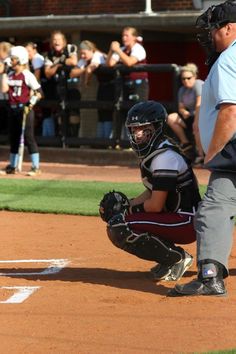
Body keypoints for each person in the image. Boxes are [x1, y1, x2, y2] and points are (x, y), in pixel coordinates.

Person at [169, 0, 236, 297]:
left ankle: (210, 277)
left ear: (230, 28)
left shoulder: (228, 59)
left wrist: (214, 151)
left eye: (212, 29)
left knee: (213, 208)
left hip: (232, 147)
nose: (208, 35)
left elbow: (230, 110)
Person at [99, 101, 201, 282]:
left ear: (156, 127)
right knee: (121, 220)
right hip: (179, 218)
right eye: (133, 129)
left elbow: (155, 206)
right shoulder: (157, 151)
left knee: (119, 226)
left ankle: (177, 258)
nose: (137, 134)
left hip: (186, 221)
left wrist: (127, 211)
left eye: (143, 128)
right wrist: (128, 203)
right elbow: (151, 192)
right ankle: (169, 258)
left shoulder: (164, 158)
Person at [0, 46, 42, 176]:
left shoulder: (27, 75)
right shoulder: (11, 75)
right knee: (14, 138)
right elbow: (4, 89)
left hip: (25, 110)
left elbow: (39, 92)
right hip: (13, 109)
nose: (11, 61)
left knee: (29, 138)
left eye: (13, 59)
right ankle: (13, 166)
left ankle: (36, 166)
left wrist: (31, 102)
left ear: (20, 59)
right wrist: (5, 73)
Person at [106, 27, 149, 144]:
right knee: (125, 113)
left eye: (127, 36)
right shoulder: (123, 49)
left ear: (134, 37)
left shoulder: (138, 48)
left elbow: (130, 62)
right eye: (123, 36)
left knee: (138, 114)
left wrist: (118, 51)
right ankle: (126, 142)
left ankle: (141, 142)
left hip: (139, 86)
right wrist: (111, 50)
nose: (124, 38)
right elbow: (109, 64)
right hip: (126, 86)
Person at [70, 40, 115, 139]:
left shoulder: (97, 55)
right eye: (81, 54)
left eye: (84, 53)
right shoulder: (85, 59)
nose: (82, 56)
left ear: (91, 50)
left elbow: (90, 69)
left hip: (111, 86)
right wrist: (84, 69)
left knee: (107, 113)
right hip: (102, 86)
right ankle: (101, 141)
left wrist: (86, 82)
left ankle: (107, 140)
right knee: (100, 113)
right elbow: (73, 73)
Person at [167, 63, 204, 163]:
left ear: (195, 76)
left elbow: (199, 105)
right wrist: (183, 112)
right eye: (183, 79)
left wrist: (196, 122)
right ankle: (186, 144)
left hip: (202, 116)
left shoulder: (198, 84)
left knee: (197, 127)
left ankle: (201, 156)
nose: (185, 81)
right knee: (171, 117)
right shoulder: (182, 89)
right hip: (190, 117)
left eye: (188, 78)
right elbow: (181, 107)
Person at [44, 31, 78, 137]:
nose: (56, 42)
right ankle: (63, 140)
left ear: (64, 42)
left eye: (59, 39)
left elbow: (73, 62)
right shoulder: (49, 54)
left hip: (73, 87)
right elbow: (48, 73)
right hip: (59, 87)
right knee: (60, 114)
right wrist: (59, 64)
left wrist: (57, 63)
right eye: (54, 39)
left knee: (74, 114)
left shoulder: (70, 48)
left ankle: (74, 140)